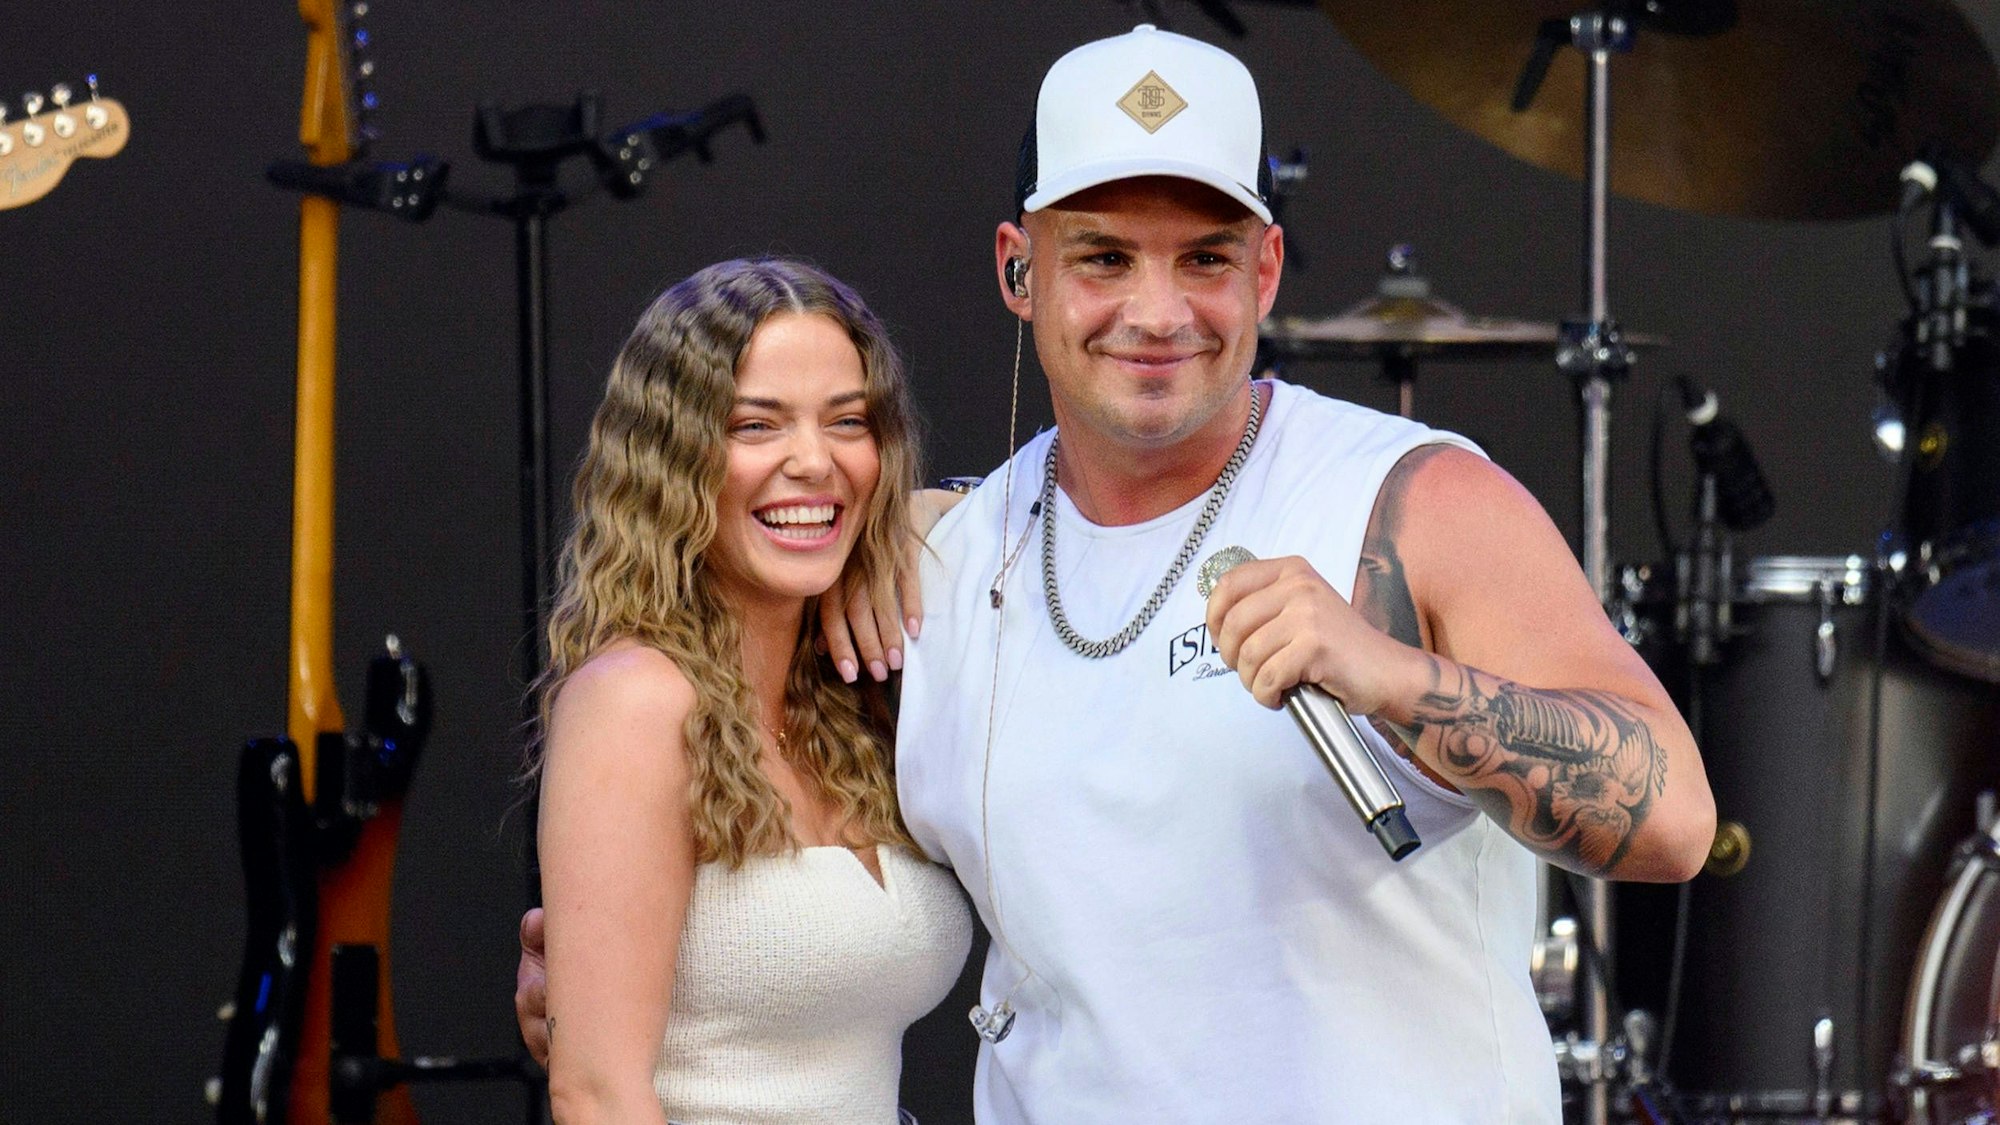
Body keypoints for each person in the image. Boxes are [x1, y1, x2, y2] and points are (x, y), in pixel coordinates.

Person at [522, 26, 1714, 1122]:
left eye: (1202, 257)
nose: (1154, 312)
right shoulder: (933, 564)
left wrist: (1389, 674)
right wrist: (620, 982)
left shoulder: (1413, 500)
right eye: (1101, 256)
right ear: (1018, 269)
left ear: (1264, 270)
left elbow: (1670, 822)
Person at [529, 257, 971, 1125]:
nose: (815, 461)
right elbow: (597, 1094)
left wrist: (922, 510)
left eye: (848, 421)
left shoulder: (859, 694)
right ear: (672, 457)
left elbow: (1064, 529)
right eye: (757, 425)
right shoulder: (635, 701)